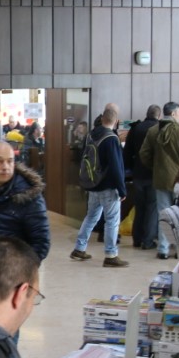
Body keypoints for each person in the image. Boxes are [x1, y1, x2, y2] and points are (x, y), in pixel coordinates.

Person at [71, 105, 129, 268]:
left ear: (102, 119)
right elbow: (116, 166)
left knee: (91, 217)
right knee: (112, 220)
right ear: (116, 121)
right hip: (108, 186)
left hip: (93, 184)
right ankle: (111, 255)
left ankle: (79, 248)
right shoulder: (111, 138)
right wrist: (122, 189)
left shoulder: (91, 135)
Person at [139, 101, 179, 260]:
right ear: (174, 113)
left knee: (163, 214)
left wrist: (156, 167)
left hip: (160, 179)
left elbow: (144, 154)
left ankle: (163, 249)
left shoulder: (153, 131)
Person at [123, 105, 161, 251]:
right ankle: (148, 241)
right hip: (153, 174)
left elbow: (127, 151)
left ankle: (137, 239)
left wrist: (129, 170)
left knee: (139, 207)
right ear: (158, 115)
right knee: (152, 208)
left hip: (138, 174)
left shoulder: (136, 128)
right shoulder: (159, 129)